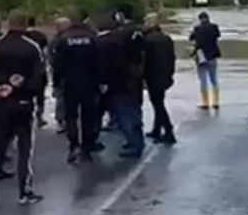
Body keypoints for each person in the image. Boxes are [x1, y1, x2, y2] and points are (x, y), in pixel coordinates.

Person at [0, 9, 45, 206]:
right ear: (24, 24)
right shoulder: (32, 47)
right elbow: (39, 77)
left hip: (1, 103)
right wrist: (26, 91)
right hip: (23, 102)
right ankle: (25, 192)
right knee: (25, 149)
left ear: (7, 23)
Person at [50, 10, 101, 164]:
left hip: (70, 84)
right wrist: (100, 81)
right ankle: (86, 148)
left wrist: (56, 83)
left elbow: (57, 65)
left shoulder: (63, 39)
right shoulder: (92, 38)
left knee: (71, 117)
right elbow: (99, 62)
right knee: (88, 117)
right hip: (90, 83)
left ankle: (73, 146)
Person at [94, 12, 146, 158]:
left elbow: (107, 65)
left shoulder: (105, 42)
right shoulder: (121, 39)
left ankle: (135, 144)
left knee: (124, 115)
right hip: (128, 82)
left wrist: (104, 82)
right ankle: (135, 142)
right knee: (130, 113)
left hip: (117, 85)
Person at [142, 12, 176, 144]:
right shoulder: (166, 38)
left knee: (158, 104)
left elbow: (146, 61)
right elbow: (171, 58)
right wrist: (170, 74)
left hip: (153, 76)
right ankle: (157, 129)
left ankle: (168, 130)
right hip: (164, 75)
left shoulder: (148, 40)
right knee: (159, 102)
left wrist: (143, 77)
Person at [189, 11, 221, 109]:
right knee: (214, 79)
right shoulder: (214, 27)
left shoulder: (197, 29)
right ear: (208, 18)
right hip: (212, 56)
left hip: (201, 56)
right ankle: (216, 102)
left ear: (200, 19)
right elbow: (218, 35)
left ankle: (205, 103)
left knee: (203, 80)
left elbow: (191, 38)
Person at [24, 16, 50, 127]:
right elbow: (45, 53)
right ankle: (39, 116)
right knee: (40, 94)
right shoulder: (41, 36)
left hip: (25, 69)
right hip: (39, 69)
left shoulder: (23, 36)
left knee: (26, 94)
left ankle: (26, 116)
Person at [51, 16, 72, 133]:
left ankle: (66, 120)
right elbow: (52, 56)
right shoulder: (57, 40)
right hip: (61, 74)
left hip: (65, 74)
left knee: (63, 98)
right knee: (61, 99)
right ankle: (61, 120)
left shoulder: (62, 39)